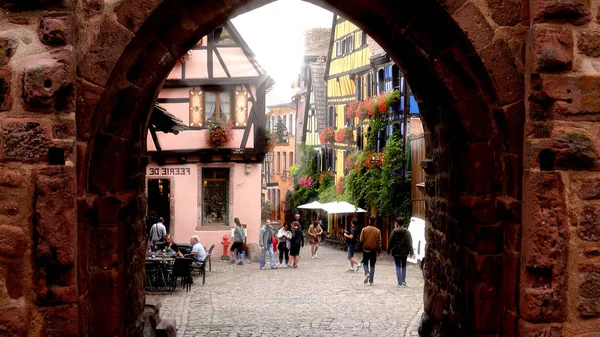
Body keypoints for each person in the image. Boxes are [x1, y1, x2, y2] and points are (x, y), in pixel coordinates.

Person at [387, 217, 414, 287]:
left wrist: (388, 250)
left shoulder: (394, 232)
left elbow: (390, 241)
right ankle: (403, 280)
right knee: (404, 266)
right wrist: (411, 251)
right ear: (403, 223)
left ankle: (399, 282)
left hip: (396, 252)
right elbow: (409, 242)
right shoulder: (407, 232)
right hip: (404, 252)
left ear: (396, 223)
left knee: (398, 266)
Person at [359, 216, 382, 286]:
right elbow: (379, 242)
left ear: (369, 220)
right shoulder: (378, 231)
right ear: (375, 221)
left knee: (365, 263)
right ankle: (371, 281)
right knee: (372, 265)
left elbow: (361, 240)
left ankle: (367, 273)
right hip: (373, 250)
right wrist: (379, 251)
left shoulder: (364, 229)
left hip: (366, 249)